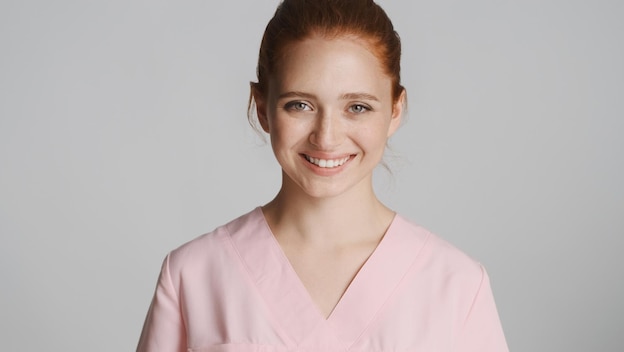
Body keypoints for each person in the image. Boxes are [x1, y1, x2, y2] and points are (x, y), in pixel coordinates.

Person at [137, 0, 509, 351]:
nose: (326, 137)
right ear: (262, 108)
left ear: (396, 111)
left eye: (358, 107)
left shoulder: (457, 286)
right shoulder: (192, 276)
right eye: (299, 105)